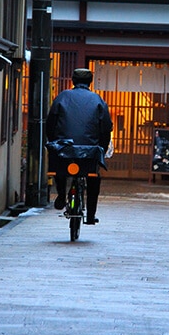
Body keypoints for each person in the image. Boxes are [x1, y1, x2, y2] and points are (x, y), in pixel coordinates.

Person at [46, 68, 113, 224]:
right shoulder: (98, 100)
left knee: (59, 169)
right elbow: (106, 128)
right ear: (90, 82)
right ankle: (90, 215)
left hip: (64, 149)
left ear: (73, 81)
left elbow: (51, 124)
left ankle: (61, 195)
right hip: (89, 151)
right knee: (93, 178)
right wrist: (100, 148)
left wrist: (54, 142)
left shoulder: (62, 97)